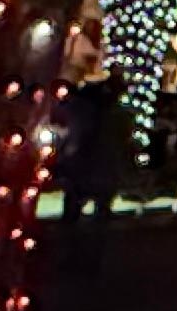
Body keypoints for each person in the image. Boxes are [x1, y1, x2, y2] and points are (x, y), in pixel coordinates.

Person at [51, 74, 124, 274]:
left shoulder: (84, 113)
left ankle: (74, 257)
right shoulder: (112, 115)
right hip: (99, 171)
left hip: (86, 170)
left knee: (74, 215)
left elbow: (76, 141)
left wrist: (64, 162)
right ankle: (90, 259)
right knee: (96, 219)